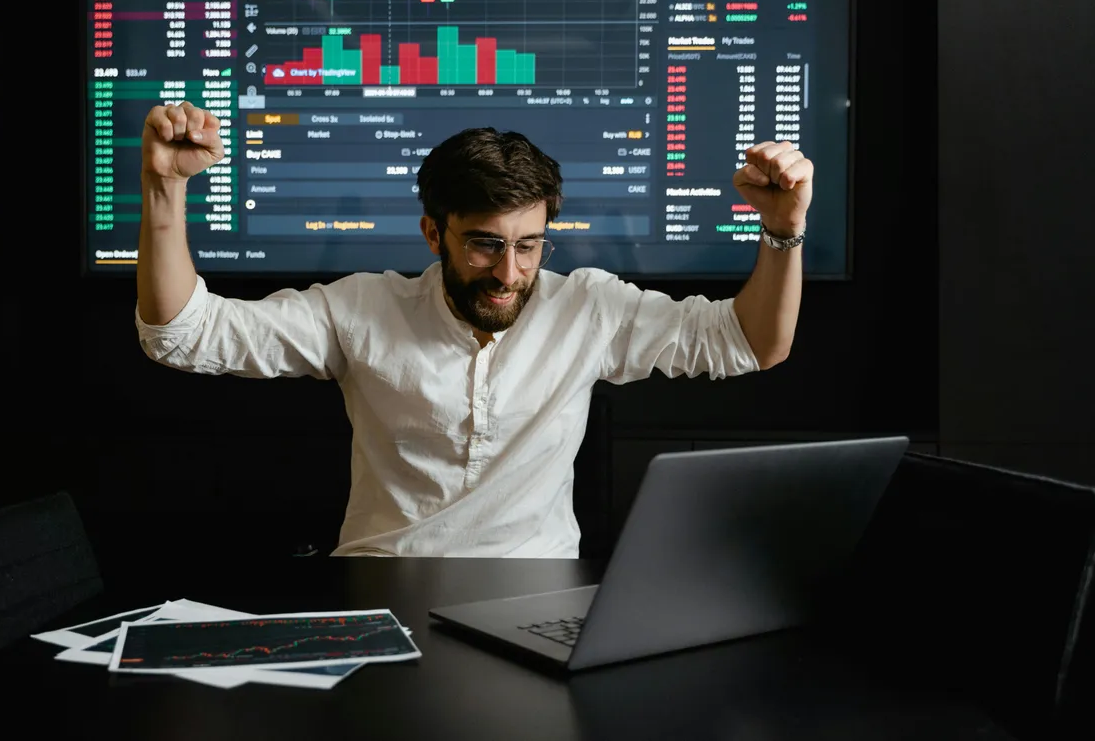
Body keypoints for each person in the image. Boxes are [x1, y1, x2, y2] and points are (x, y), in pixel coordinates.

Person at [136, 101, 813, 558]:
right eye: (484, 244)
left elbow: (751, 342)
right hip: (380, 594)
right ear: (434, 232)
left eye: (529, 245)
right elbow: (183, 332)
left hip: (537, 602)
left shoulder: (588, 308)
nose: (509, 273)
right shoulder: (362, 307)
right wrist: (165, 189)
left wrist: (782, 231)